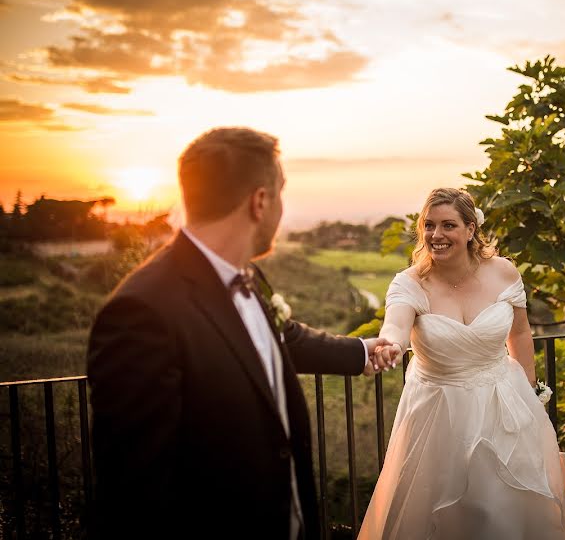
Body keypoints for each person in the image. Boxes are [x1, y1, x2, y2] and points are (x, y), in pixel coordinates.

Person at [87, 127, 391, 540]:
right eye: (281, 193)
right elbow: (135, 498)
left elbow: (284, 339)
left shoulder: (247, 276)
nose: (282, 208)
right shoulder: (142, 312)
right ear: (260, 201)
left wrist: (360, 351)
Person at [358, 188, 565, 539]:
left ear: (470, 229)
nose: (436, 235)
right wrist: (389, 345)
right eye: (429, 225)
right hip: (439, 415)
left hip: (503, 406)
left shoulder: (503, 273)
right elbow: (395, 327)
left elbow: (521, 334)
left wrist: (529, 396)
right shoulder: (409, 283)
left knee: (502, 509)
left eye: (448, 225)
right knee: (448, 516)